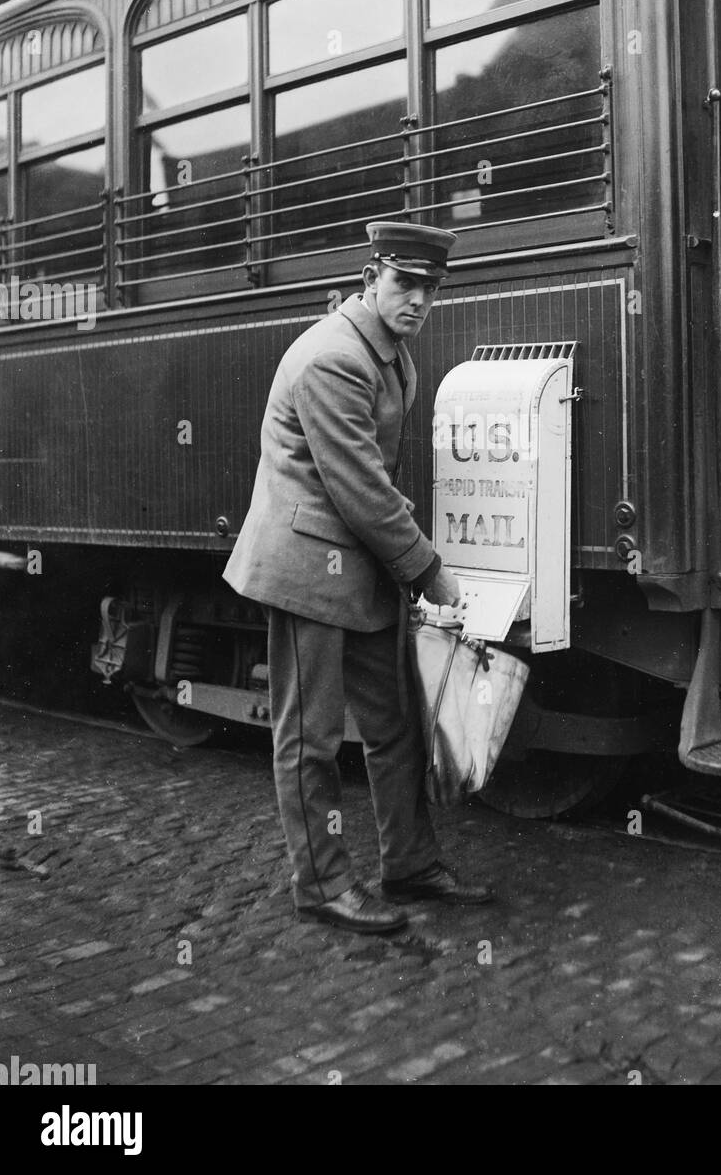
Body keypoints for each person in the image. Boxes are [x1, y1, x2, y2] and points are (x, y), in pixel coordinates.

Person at [224, 221, 492, 932]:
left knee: (394, 723)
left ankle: (407, 864)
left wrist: (404, 564)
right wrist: (428, 568)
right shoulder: (332, 358)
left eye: (429, 290)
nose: (417, 301)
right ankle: (319, 884)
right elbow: (359, 488)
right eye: (404, 284)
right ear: (370, 276)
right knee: (309, 736)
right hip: (307, 569)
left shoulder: (387, 352)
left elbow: (372, 486)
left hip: (360, 569)